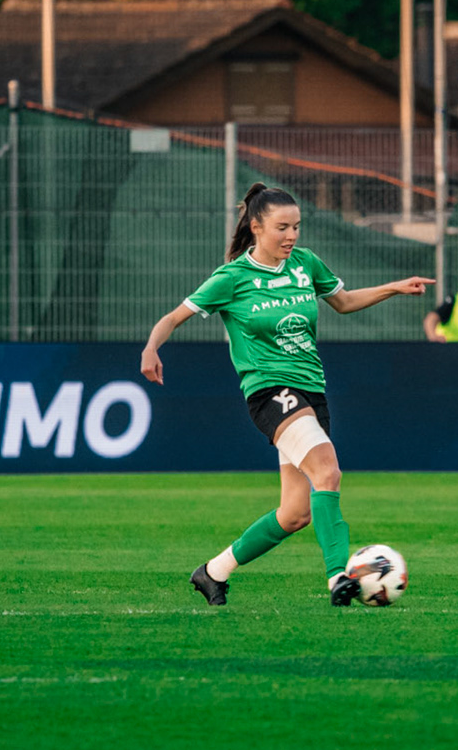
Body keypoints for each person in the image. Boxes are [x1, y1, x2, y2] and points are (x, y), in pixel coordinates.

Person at [140, 183, 432, 604]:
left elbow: (345, 301)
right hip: (269, 391)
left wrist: (394, 287)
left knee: (295, 513)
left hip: (312, 391)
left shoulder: (305, 264)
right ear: (256, 227)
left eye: (296, 226)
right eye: (283, 227)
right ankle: (339, 578)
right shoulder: (233, 278)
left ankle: (212, 572)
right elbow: (173, 317)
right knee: (327, 471)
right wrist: (151, 348)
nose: (292, 235)